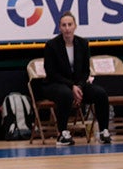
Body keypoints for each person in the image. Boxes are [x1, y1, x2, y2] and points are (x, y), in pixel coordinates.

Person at [42, 12, 113, 146]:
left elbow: (86, 71)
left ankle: (104, 131)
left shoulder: (83, 43)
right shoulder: (51, 46)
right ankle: (62, 133)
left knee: (100, 93)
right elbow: (51, 73)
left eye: (70, 25)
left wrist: (79, 86)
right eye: (64, 25)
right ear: (59, 28)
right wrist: (71, 86)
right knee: (65, 94)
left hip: (78, 85)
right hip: (55, 84)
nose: (67, 28)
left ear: (75, 26)